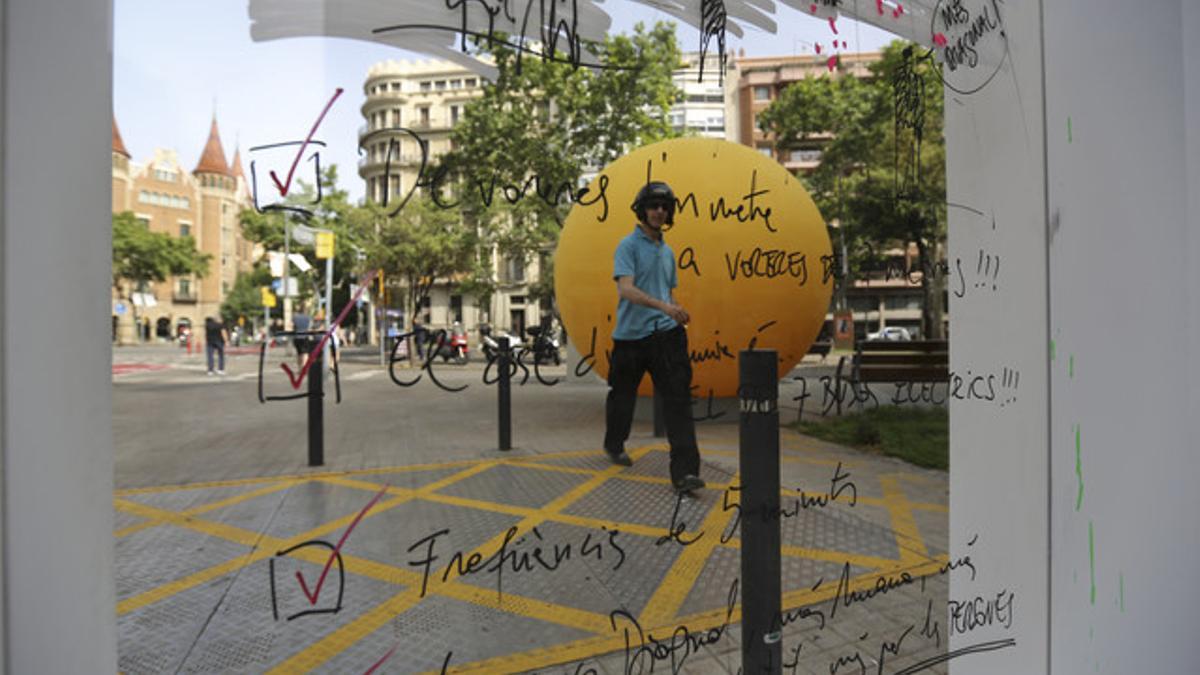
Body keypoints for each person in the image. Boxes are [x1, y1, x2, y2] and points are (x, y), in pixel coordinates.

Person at [603, 181, 704, 495]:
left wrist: (672, 309)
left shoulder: (668, 251)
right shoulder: (627, 246)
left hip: (666, 336)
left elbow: (666, 291)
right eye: (653, 206)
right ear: (642, 209)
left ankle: (685, 473)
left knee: (678, 402)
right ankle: (614, 443)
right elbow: (626, 289)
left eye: (664, 207)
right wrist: (664, 306)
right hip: (630, 338)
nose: (659, 212)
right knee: (622, 397)